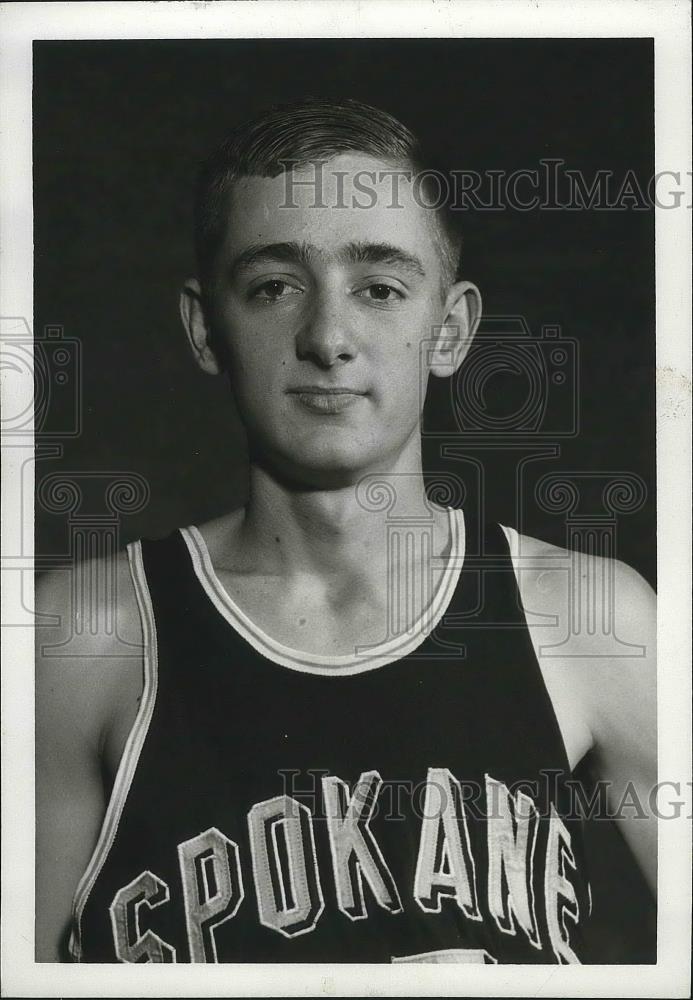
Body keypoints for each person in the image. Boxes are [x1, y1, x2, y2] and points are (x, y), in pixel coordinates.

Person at [35, 98, 656, 964]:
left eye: (380, 288)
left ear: (450, 328)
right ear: (203, 327)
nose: (328, 337)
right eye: (273, 287)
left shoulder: (593, 620)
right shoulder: (83, 633)